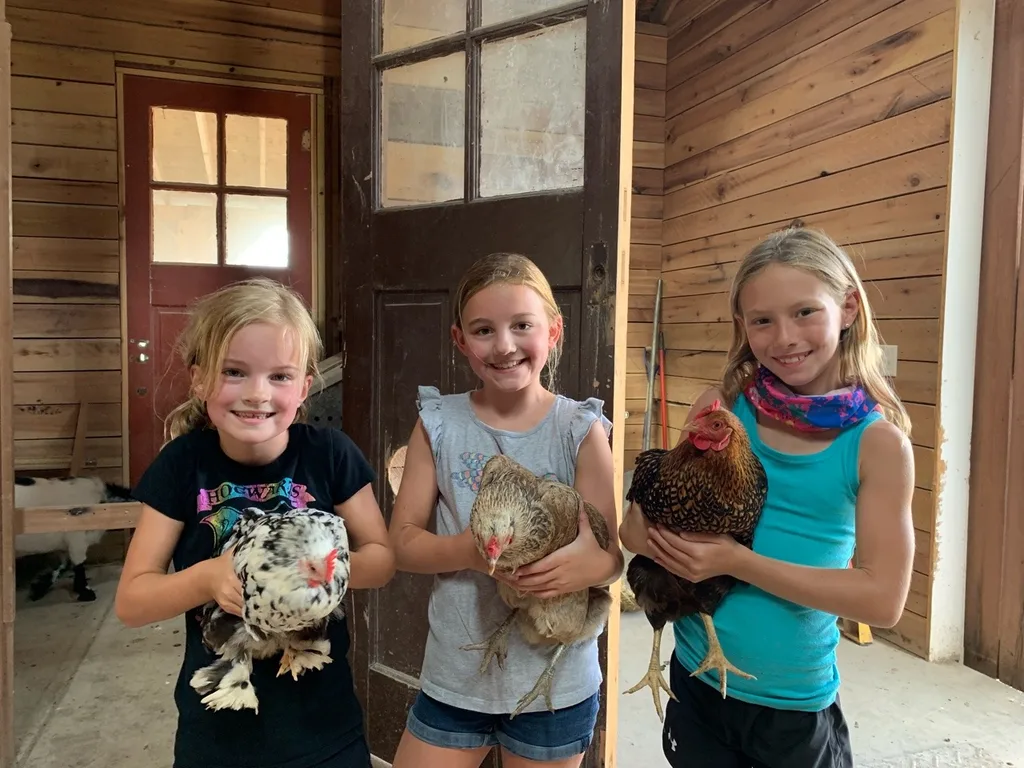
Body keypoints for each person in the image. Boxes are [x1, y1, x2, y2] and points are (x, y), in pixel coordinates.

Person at [619, 227, 915, 768]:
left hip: (792, 701)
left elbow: (882, 601)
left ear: (848, 307)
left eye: (805, 312)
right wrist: (648, 536)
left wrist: (737, 562)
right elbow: (635, 529)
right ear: (743, 327)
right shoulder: (721, 410)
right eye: (762, 320)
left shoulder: (876, 443)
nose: (784, 337)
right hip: (697, 674)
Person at [114, 278, 395, 768]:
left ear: (305, 386)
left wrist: (318, 573)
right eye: (235, 372)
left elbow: (383, 559)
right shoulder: (182, 465)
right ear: (200, 380)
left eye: (280, 376)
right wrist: (209, 577)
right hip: (219, 733)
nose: (257, 394)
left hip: (324, 731)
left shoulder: (330, 456)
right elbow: (132, 602)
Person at [387, 252, 622, 768]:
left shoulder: (578, 431)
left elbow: (611, 557)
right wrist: (468, 553)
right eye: (484, 330)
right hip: (455, 675)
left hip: (553, 685)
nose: (505, 345)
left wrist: (580, 564)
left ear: (553, 331)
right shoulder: (439, 424)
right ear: (460, 341)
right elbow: (402, 542)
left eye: (522, 325)